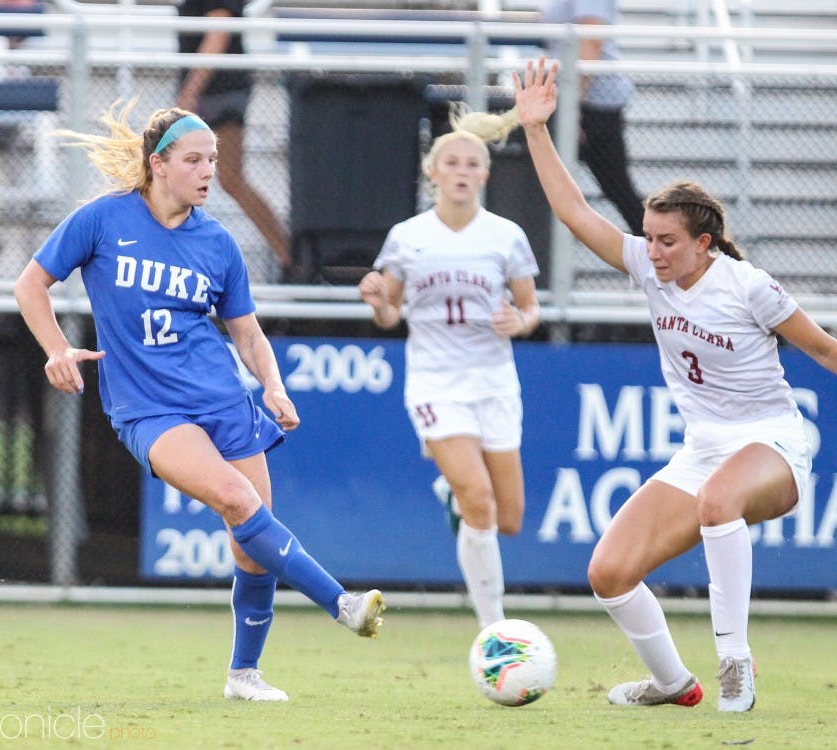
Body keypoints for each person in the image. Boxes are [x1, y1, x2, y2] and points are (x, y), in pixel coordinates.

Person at [14, 101, 386, 702]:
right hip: (149, 410)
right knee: (239, 500)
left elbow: (246, 332)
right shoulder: (103, 220)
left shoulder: (218, 243)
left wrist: (273, 384)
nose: (209, 170)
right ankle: (339, 601)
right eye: (194, 160)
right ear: (158, 165)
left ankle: (244, 675)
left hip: (226, 400)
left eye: (212, 159)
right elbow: (30, 284)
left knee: (251, 544)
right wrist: (57, 348)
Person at [509, 56, 837, 711]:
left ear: (704, 243)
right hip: (703, 449)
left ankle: (734, 664)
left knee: (719, 501)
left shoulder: (748, 287)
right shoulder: (648, 269)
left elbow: (825, 351)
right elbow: (574, 212)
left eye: (665, 241)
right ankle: (672, 684)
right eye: (648, 238)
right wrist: (535, 129)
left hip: (775, 444)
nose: (651, 251)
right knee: (607, 572)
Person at [358, 108, 541, 628]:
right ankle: (495, 631)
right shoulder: (408, 236)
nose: (461, 171)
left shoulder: (505, 236)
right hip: (435, 383)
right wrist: (376, 300)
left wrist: (519, 321)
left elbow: (531, 308)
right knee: (479, 501)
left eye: (472, 163)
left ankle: (451, 495)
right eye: (451, 162)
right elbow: (391, 312)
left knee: (508, 518)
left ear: (484, 174)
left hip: (495, 381)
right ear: (432, 172)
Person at [174, 0, 291, 274]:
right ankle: (289, 256)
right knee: (180, 179)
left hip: (218, 96)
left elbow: (219, 31)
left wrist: (190, 93)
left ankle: (290, 257)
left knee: (227, 178)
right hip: (211, 95)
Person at [541, 0, 644, 236]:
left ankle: (663, 252)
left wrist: (572, 106)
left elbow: (591, 42)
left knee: (618, 189)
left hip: (592, 105)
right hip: (571, 101)